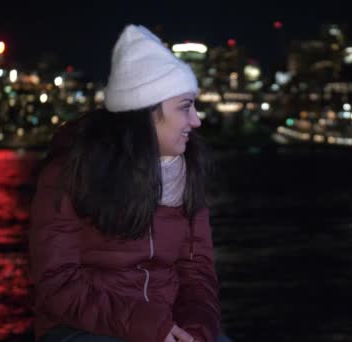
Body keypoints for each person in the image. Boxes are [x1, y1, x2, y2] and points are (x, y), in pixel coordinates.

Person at [29, 24, 220, 342]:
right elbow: (57, 283)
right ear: (146, 113)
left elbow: (197, 271)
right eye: (186, 107)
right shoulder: (72, 171)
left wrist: (196, 330)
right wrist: (150, 327)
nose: (197, 120)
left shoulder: (189, 173)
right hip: (80, 328)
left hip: (168, 326)